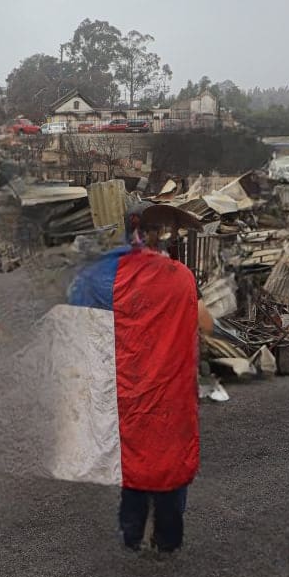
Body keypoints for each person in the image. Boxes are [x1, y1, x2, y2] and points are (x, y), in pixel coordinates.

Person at [68, 202, 206, 554]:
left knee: (136, 463)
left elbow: (80, 304)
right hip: (173, 396)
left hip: (129, 393)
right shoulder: (182, 278)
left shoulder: (106, 277)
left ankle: (132, 536)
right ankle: (167, 540)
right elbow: (201, 325)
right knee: (170, 468)